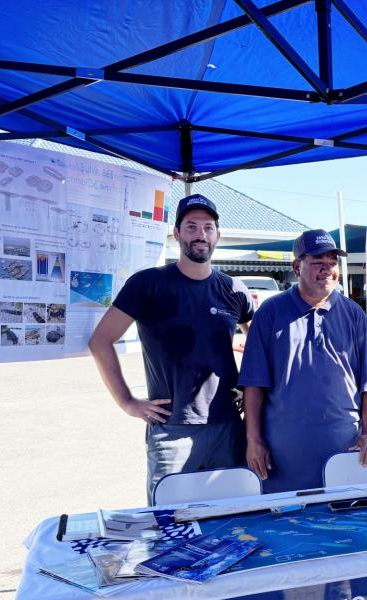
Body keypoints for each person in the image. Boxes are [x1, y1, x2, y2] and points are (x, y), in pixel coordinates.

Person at [89, 194, 254, 503]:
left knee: (232, 521)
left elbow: (260, 344)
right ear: (177, 234)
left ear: (217, 234)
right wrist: (127, 402)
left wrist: (249, 386)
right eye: (191, 227)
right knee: (169, 525)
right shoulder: (148, 285)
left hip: (228, 429)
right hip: (171, 431)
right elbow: (100, 341)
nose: (200, 235)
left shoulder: (234, 290)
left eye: (208, 227)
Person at [239, 229, 367, 493]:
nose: (327, 269)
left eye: (332, 263)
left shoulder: (353, 314)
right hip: (282, 460)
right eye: (318, 262)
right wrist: (253, 440)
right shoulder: (271, 313)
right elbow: (253, 385)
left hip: (344, 454)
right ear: (297, 266)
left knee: (346, 526)